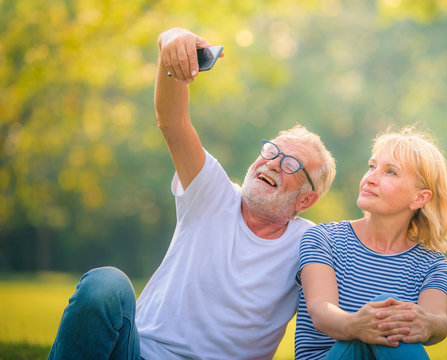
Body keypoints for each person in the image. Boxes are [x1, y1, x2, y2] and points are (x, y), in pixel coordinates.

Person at [48, 27, 336, 360]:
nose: (272, 163)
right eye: (271, 151)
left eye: (291, 164)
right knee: (105, 285)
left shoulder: (309, 243)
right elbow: (172, 121)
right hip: (138, 353)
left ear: (306, 200)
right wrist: (173, 39)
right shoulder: (213, 193)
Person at [294, 128, 447, 360]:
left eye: (390, 172)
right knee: (387, 313)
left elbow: (440, 321)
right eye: (372, 166)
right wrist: (357, 325)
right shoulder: (323, 238)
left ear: (419, 198)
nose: (370, 177)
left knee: (392, 317)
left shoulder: (434, 266)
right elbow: (320, 310)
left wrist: (428, 324)